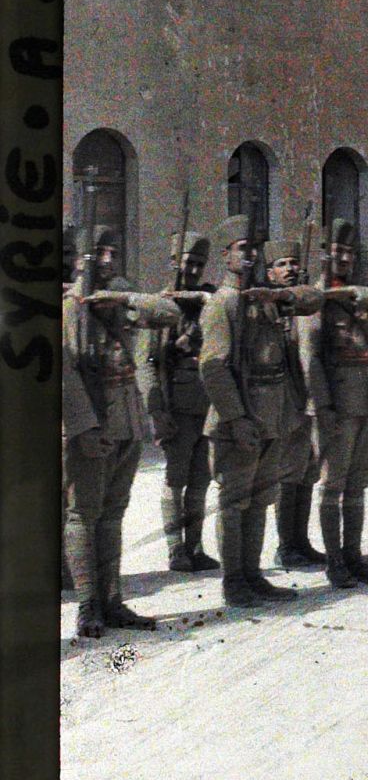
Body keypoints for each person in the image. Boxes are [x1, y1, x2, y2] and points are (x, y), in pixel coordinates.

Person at [64, 229, 180, 636]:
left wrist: (124, 299)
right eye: (98, 254)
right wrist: (84, 428)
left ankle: (113, 600)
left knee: (113, 516)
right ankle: (87, 604)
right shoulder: (66, 310)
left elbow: (168, 313)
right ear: (79, 260)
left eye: (113, 252)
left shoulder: (115, 305)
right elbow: (65, 377)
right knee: (83, 516)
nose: (109, 260)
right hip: (91, 429)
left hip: (126, 424)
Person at [200, 217, 320, 607]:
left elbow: (312, 299)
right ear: (226, 255)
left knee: (262, 496)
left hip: (274, 415)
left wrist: (278, 298)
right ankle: (234, 581)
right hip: (242, 418)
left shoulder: (264, 297)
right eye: (241, 248)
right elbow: (213, 367)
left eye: (254, 248)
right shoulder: (224, 304)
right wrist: (236, 418)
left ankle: (252, 574)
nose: (249, 255)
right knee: (234, 502)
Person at [301, 220, 368, 588]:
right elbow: (311, 360)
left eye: (349, 253)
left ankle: (354, 556)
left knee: (359, 481)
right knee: (333, 484)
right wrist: (323, 408)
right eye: (337, 252)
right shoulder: (314, 300)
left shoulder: (358, 295)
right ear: (323, 255)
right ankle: (335, 562)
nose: (343, 259)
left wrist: (355, 295)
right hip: (338, 404)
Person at [140, 227, 217, 573]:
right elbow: (148, 364)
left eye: (201, 264)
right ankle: (175, 549)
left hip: (209, 405)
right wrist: (156, 411)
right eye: (189, 263)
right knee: (175, 480)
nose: (195, 271)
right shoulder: (159, 306)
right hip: (177, 407)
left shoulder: (208, 301)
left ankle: (195, 546)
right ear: (174, 262)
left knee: (201, 480)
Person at [265, 237, 326, 571]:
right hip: (282, 400)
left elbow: (313, 297)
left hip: (306, 397)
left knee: (307, 470)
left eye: (293, 263)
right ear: (270, 273)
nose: (289, 269)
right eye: (281, 264)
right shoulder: (266, 304)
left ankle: (300, 541)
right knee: (288, 473)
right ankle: (286, 545)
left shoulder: (301, 301)